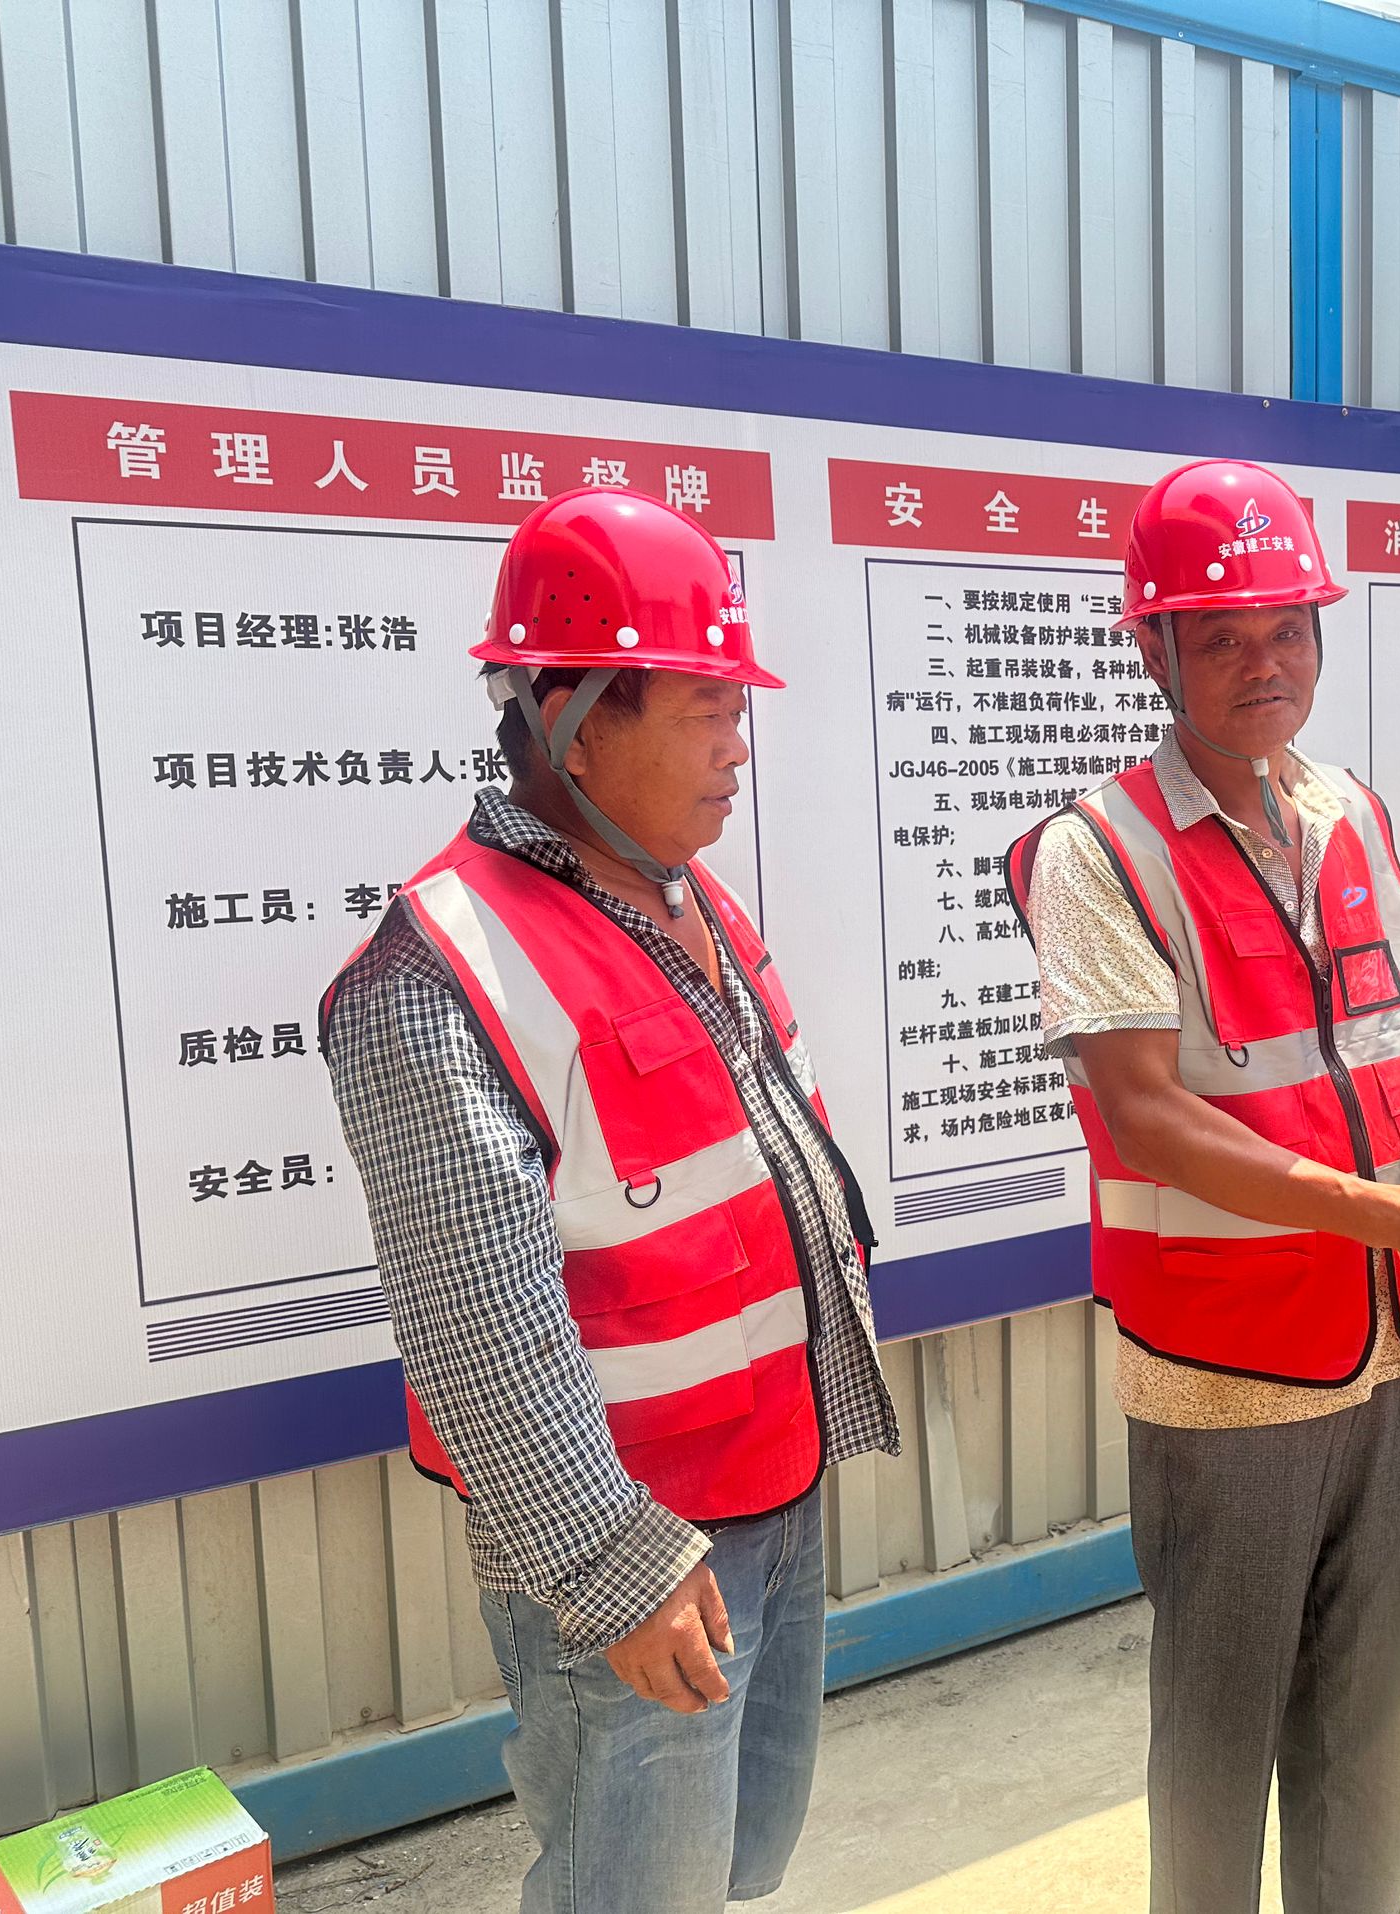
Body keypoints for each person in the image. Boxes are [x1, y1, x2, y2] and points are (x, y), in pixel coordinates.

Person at [322, 487, 897, 1914]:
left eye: (735, 706)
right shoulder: (436, 970)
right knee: (632, 1892)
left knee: (734, 1863)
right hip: (629, 1544)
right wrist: (611, 1566)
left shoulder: (680, 898)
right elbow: (478, 1324)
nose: (737, 744)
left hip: (769, 1490)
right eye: (705, 707)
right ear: (573, 719)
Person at [1005, 458, 1400, 1914]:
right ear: (1154, 648)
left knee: (1371, 1715)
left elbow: (1395, 1057)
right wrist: (1391, 1219)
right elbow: (1147, 1117)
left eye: (1289, 629)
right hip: (1222, 1364)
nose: (1266, 664)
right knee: (1220, 1727)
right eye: (1223, 637)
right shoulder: (1094, 852)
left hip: (1381, 1338)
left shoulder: (1352, 815)